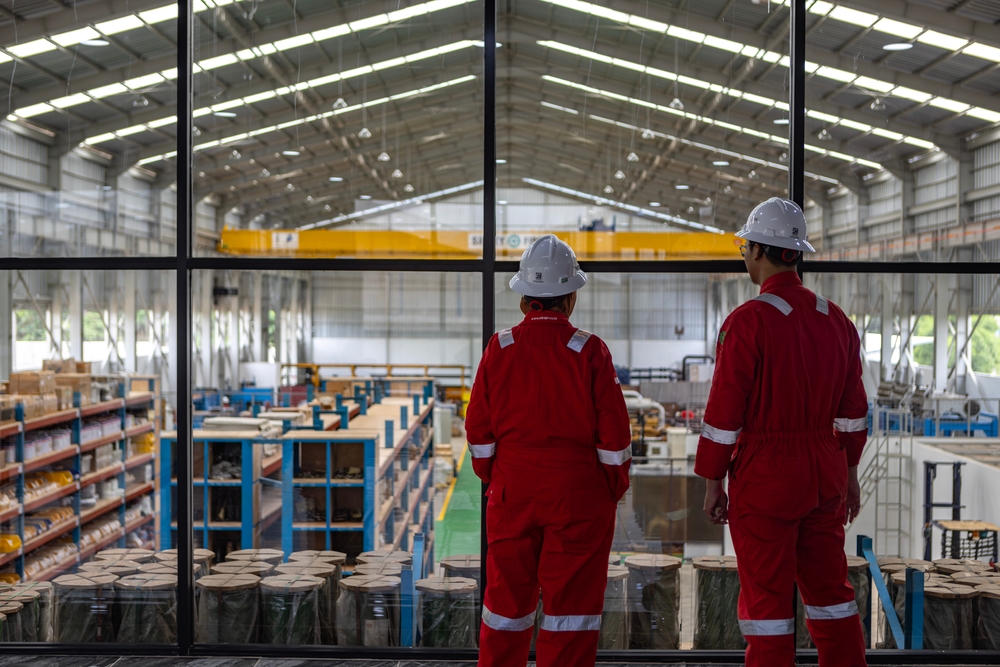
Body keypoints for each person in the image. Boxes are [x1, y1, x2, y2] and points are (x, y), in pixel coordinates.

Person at [695, 198, 869, 667]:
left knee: (768, 608)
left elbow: (724, 416)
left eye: (745, 248)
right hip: (825, 471)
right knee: (832, 596)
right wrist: (849, 474)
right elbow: (854, 416)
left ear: (756, 251)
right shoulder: (838, 321)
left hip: (767, 476)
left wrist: (715, 481)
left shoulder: (747, 322)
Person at [466, 235, 632, 667]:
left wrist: (497, 478)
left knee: (505, 605)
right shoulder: (590, 350)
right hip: (578, 496)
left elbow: (478, 433)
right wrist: (609, 491)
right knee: (570, 613)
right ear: (571, 298)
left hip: (512, 493)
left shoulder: (498, 349)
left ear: (524, 301)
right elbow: (615, 440)